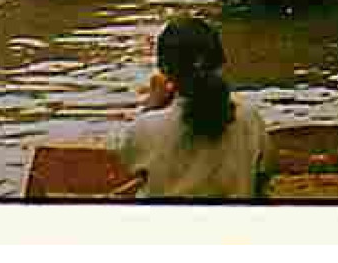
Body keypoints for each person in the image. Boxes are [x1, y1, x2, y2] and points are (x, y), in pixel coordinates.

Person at [114, 17, 272, 199]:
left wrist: (151, 104)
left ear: (164, 70)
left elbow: (128, 165)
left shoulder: (146, 127)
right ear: (220, 63)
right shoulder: (251, 119)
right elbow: (264, 175)